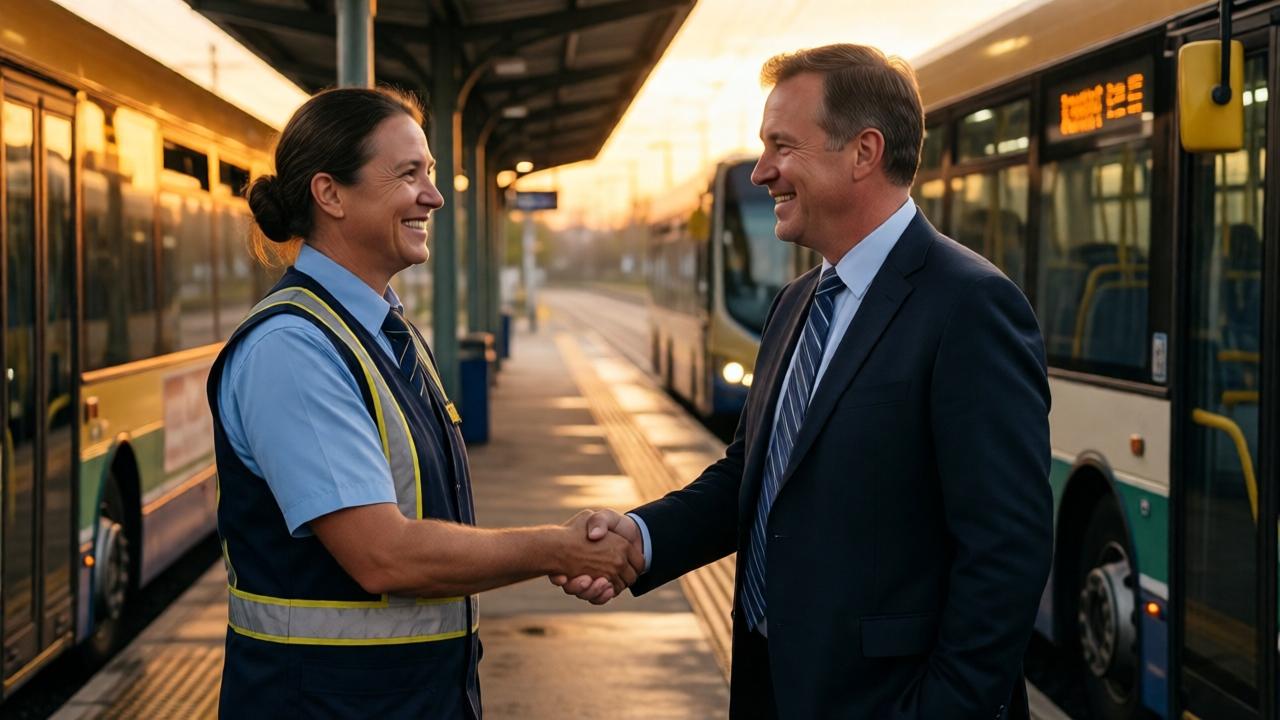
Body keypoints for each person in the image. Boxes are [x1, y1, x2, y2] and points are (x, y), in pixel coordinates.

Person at [556, 45, 1053, 719]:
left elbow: (1006, 550)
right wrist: (639, 540)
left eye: (782, 146)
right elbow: (750, 480)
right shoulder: (797, 304)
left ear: (863, 152)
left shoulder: (969, 305)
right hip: (776, 684)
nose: (763, 172)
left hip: (890, 701)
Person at [208, 87, 642, 718]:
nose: (433, 197)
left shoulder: (386, 331)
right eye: (408, 174)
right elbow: (384, 555)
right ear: (330, 194)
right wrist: (559, 546)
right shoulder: (293, 349)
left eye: (430, 174)